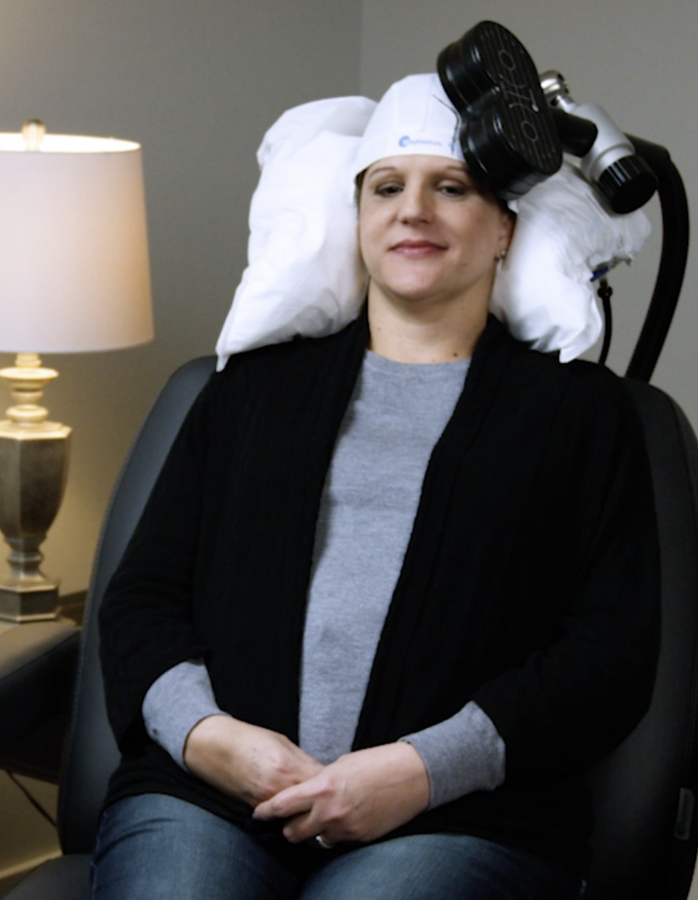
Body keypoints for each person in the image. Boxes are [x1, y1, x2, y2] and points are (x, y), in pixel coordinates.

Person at [91, 74, 660, 900]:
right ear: (357, 221)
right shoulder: (251, 392)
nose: (412, 210)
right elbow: (141, 600)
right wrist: (210, 738)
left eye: (451, 189)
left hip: (462, 819)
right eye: (386, 188)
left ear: (503, 228)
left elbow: (608, 658)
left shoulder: (579, 414)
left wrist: (419, 771)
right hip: (210, 799)